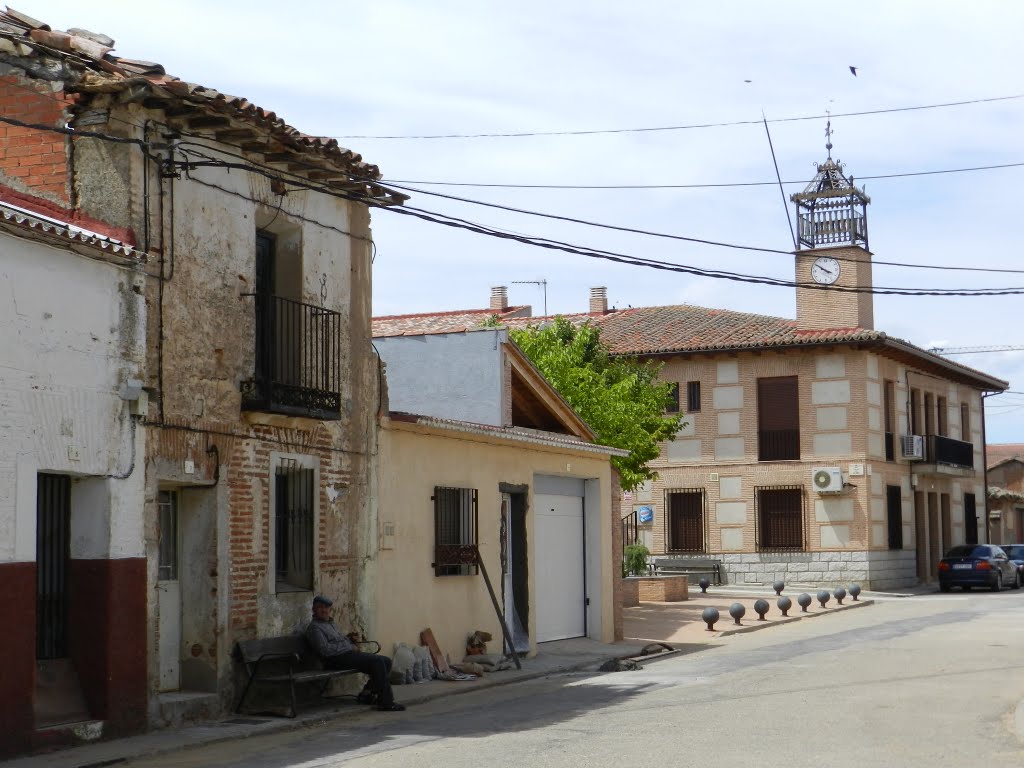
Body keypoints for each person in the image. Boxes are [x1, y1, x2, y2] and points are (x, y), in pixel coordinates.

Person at [305, 595, 406, 712]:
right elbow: (325, 650)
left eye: (327, 608)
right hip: (333, 660)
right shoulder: (315, 628)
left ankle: (366, 694)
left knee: (386, 661)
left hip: (345, 656)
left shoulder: (330, 623)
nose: (324, 610)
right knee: (377, 661)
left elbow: (338, 640)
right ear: (314, 610)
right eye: (320, 607)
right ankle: (386, 702)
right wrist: (349, 646)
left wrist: (349, 639)